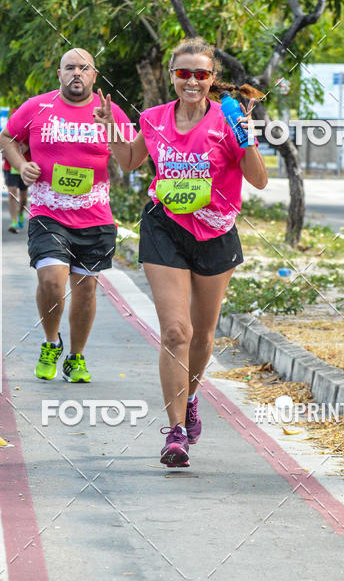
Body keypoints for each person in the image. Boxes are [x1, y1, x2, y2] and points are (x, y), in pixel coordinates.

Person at [94, 36, 268, 466]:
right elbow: (130, 160)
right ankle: (174, 433)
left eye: (202, 74)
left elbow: (259, 181)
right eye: (183, 73)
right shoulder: (153, 118)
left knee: (204, 335)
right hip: (164, 226)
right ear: (172, 75)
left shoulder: (229, 121)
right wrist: (109, 126)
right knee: (176, 331)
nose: (192, 81)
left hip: (215, 231)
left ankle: (190, 397)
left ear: (213, 79)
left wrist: (246, 137)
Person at [0, 47, 134, 383]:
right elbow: (7, 138)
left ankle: (76, 357)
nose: (77, 73)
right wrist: (21, 164)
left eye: (83, 68)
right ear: (59, 74)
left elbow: (130, 157)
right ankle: (50, 342)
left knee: (86, 290)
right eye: (70, 67)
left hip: (95, 216)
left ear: (94, 75)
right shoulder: (37, 107)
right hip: (49, 212)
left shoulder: (109, 110)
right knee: (51, 280)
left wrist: (112, 127)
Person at [2, 128, 30, 233]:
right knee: (12, 192)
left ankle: (20, 213)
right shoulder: (8, 132)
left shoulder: (28, 133)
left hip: (24, 166)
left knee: (23, 198)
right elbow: (2, 148)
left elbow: (24, 149)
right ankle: (14, 222)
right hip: (9, 166)